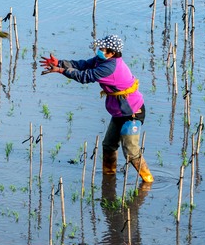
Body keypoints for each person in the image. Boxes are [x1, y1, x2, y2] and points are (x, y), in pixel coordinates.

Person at [40, 34, 153, 183]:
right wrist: (60, 62)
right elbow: (83, 65)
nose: (99, 50)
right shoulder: (103, 60)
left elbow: (85, 76)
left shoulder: (110, 68)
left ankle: (148, 181)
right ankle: (109, 179)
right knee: (108, 145)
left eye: (102, 48)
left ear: (112, 53)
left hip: (132, 112)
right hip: (119, 111)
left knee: (131, 151)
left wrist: (61, 71)